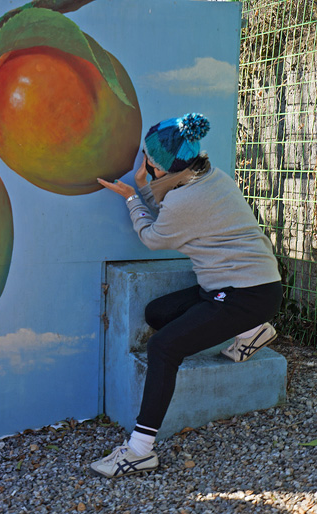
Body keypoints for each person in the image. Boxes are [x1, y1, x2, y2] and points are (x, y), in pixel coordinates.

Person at [92, 113, 281, 478]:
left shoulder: (187, 199)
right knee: (157, 313)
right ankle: (252, 331)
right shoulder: (208, 177)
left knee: (164, 347)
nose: (143, 161)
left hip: (247, 293)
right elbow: (173, 214)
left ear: (160, 167)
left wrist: (133, 196)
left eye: (147, 157)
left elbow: (154, 235)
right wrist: (146, 190)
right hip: (234, 284)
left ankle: (140, 449)